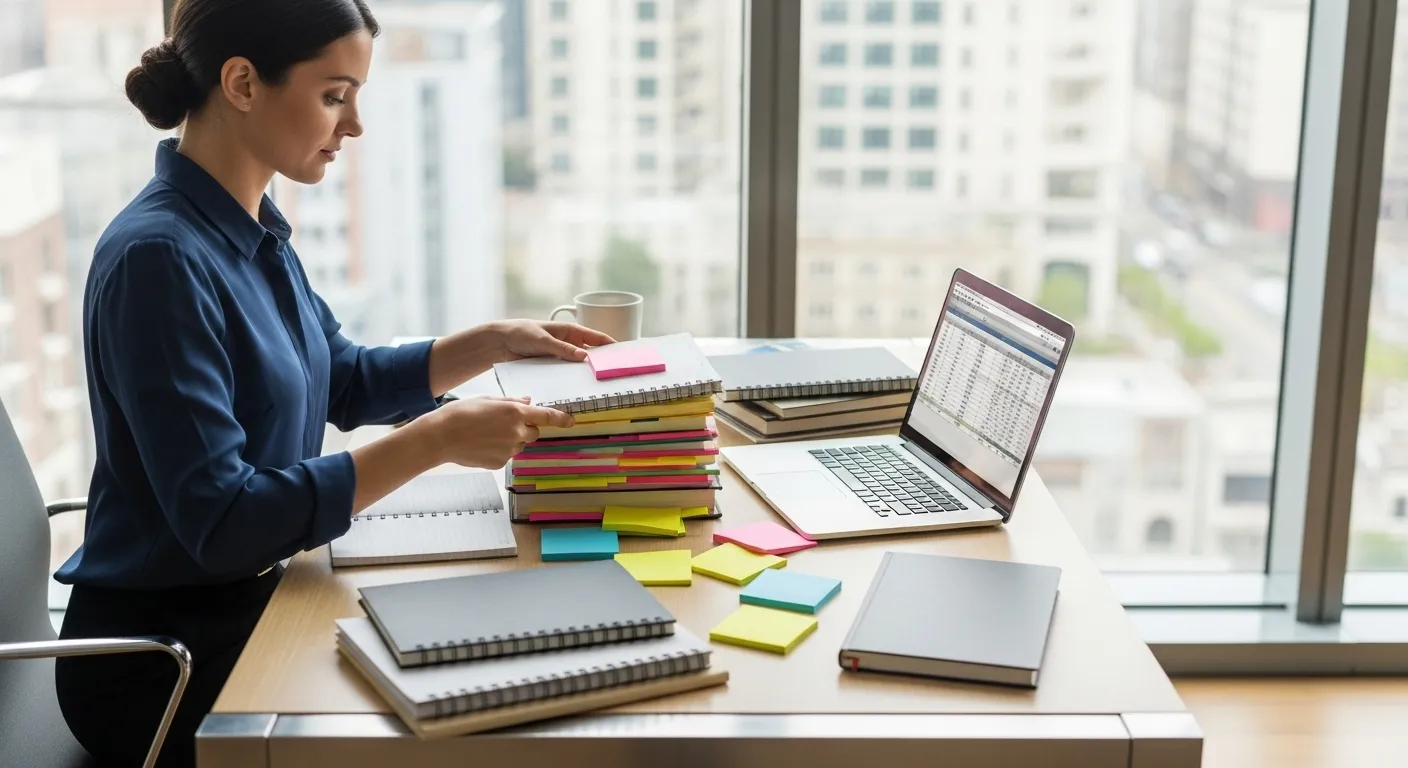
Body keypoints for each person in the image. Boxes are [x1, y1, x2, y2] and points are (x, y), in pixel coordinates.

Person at [50, 1, 611, 765]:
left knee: (507, 664)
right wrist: (436, 439)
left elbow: (337, 377)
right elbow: (224, 525)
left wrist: (486, 343)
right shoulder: (160, 261)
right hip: (164, 665)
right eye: (333, 95)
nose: (354, 126)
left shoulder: (249, 227)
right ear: (242, 83)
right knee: (468, 719)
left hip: (258, 603)